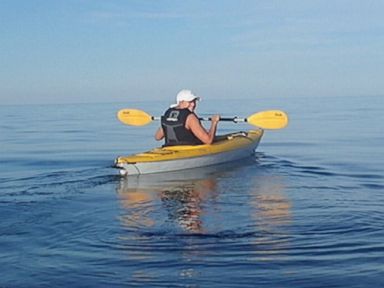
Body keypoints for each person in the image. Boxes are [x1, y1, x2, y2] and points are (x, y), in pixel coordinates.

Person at [155, 89, 220, 146]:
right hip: (188, 149)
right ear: (181, 102)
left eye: (194, 101)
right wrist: (214, 122)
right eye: (190, 102)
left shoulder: (168, 113)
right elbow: (208, 141)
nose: (193, 104)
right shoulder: (190, 117)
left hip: (170, 148)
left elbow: (157, 137)